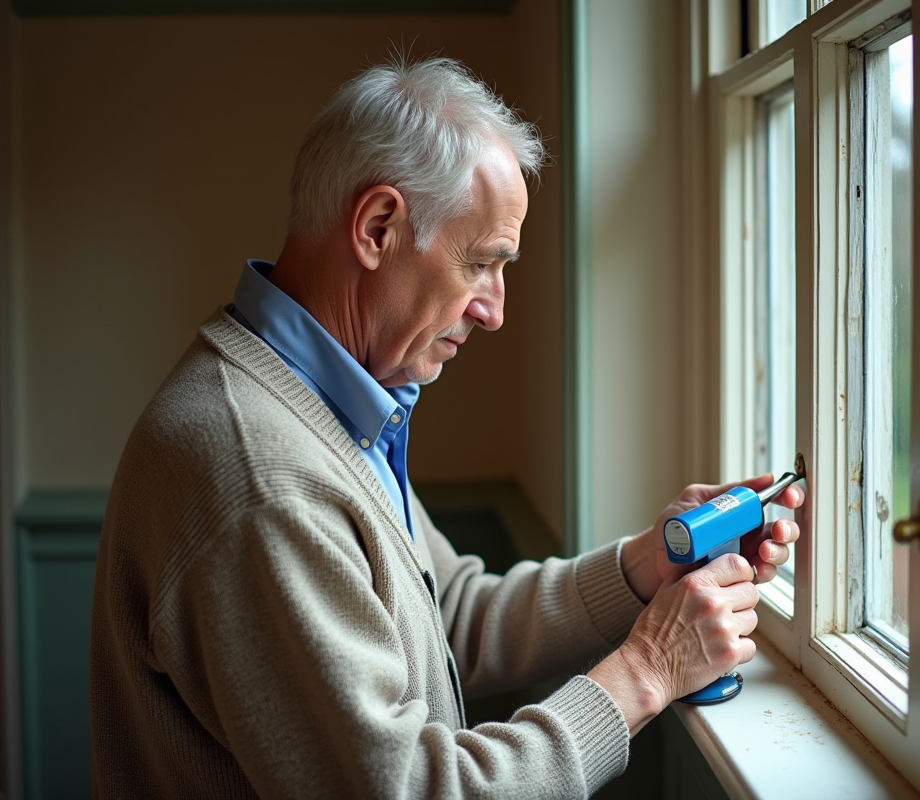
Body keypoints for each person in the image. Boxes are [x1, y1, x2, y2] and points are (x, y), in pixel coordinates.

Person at [89, 56, 802, 799]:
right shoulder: (261, 479)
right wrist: (650, 669)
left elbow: (444, 617)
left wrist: (644, 566)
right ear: (377, 227)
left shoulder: (323, 402)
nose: (494, 310)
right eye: (481, 265)